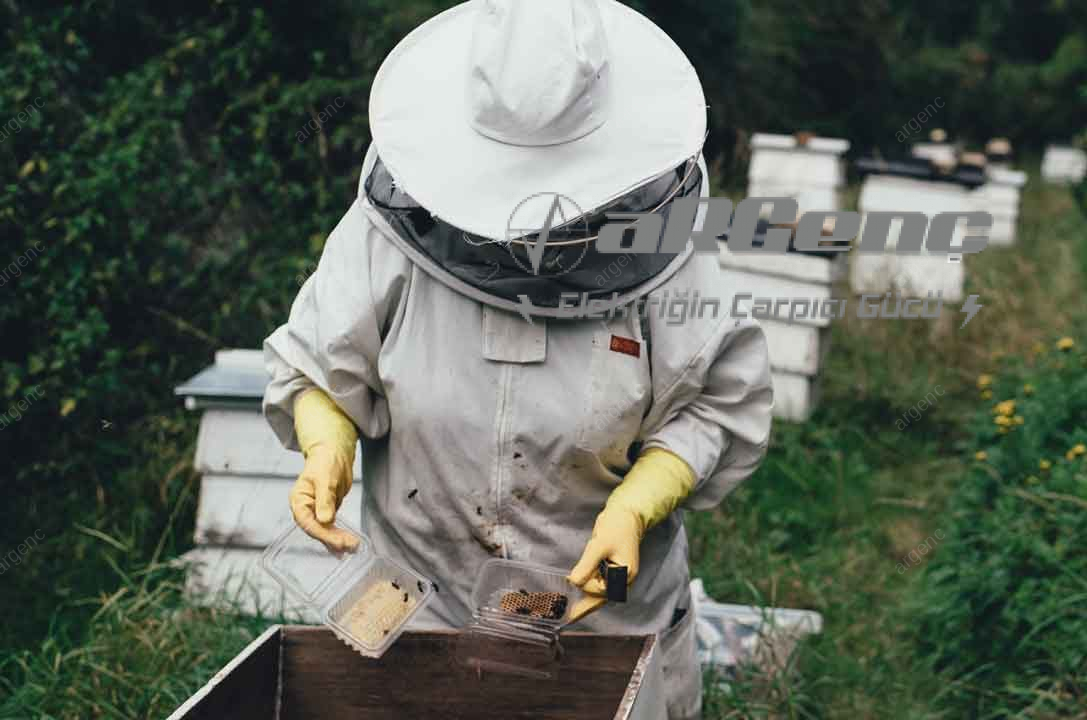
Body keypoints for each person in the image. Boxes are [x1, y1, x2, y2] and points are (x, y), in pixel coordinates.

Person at [260, 1, 773, 716]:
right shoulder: (387, 236)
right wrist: (326, 444)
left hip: (602, 629)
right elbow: (319, 364)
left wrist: (637, 502)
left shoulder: (669, 255)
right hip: (417, 620)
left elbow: (714, 403)